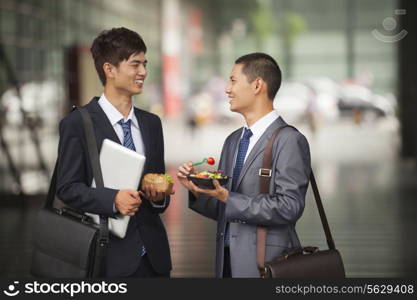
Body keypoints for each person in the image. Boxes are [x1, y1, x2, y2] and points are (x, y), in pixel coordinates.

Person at [177, 53, 311, 278]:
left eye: (233, 81)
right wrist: (198, 191)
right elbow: (226, 207)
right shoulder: (233, 141)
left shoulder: (288, 140)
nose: (227, 90)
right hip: (227, 264)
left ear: (257, 85)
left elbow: (290, 206)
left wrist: (228, 197)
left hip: (266, 265)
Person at [56, 27, 172, 277]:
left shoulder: (152, 123)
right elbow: (67, 188)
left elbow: (158, 186)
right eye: (135, 64)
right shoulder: (77, 124)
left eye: (145, 63)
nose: (143, 72)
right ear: (109, 69)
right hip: (107, 258)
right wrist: (112, 200)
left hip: (155, 259)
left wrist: (160, 195)